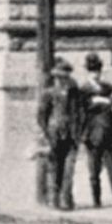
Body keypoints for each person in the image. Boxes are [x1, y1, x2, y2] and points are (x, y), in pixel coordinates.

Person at [78, 53, 112, 208]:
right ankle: (96, 199)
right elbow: (82, 109)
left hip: (109, 133)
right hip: (92, 134)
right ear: (88, 72)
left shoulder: (106, 87)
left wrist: (104, 100)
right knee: (94, 170)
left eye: (98, 70)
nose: (96, 74)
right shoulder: (84, 90)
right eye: (93, 70)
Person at [35, 57, 83, 212]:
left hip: (71, 134)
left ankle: (66, 199)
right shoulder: (48, 94)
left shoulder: (74, 92)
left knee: (69, 168)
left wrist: (78, 132)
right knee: (54, 166)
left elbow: (78, 113)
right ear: (55, 78)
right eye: (61, 78)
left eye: (66, 78)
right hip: (54, 133)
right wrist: (46, 132)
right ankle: (53, 198)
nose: (63, 81)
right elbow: (41, 115)